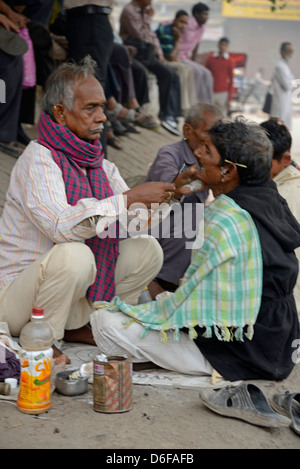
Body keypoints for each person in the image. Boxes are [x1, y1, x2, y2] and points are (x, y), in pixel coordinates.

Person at [0, 56, 188, 363]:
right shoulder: (38, 158)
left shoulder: (99, 164)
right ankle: (45, 338)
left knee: (146, 249)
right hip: (16, 300)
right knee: (75, 253)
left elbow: (129, 224)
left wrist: (168, 194)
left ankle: (95, 323)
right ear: (60, 113)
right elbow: (60, 227)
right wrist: (127, 199)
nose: (102, 117)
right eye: (91, 108)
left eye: (102, 107)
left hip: (65, 291)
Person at [90, 117, 300, 382]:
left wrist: (155, 308)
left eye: (207, 150)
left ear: (228, 171)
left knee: (104, 321)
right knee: (148, 304)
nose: (197, 153)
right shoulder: (268, 195)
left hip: (243, 349)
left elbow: (191, 304)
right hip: (279, 341)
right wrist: (182, 190)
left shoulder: (226, 217)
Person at [145, 102, 222, 296]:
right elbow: (165, 187)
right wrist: (178, 185)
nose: (215, 139)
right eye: (209, 132)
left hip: (182, 228)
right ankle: (159, 285)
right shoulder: (169, 154)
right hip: (156, 225)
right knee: (194, 220)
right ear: (188, 130)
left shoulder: (211, 156)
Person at [119, 0, 182, 136]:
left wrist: (159, 53)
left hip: (147, 52)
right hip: (134, 50)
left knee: (170, 75)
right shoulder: (129, 10)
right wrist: (148, 17)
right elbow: (140, 34)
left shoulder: (144, 12)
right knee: (140, 71)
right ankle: (137, 113)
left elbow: (151, 35)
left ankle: (169, 115)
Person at [260, 117, 300, 317]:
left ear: (284, 160)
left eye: (262, 162)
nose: (254, 167)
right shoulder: (291, 176)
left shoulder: (283, 198)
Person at [155, 10, 197, 115]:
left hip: (167, 60)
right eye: (181, 22)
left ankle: (191, 106)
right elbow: (170, 56)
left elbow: (174, 57)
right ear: (174, 20)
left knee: (189, 69)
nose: (183, 26)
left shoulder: (175, 32)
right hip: (159, 61)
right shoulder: (167, 31)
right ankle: (182, 107)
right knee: (182, 69)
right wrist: (178, 40)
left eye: (185, 23)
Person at [177, 2, 213, 103]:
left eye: (207, 14)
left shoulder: (201, 27)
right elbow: (168, 23)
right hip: (178, 55)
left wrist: (194, 61)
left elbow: (196, 45)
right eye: (204, 14)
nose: (207, 17)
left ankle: (208, 102)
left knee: (207, 73)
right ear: (197, 14)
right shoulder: (187, 23)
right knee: (197, 72)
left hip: (186, 57)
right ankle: (196, 101)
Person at [204, 37, 234, 115]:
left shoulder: (230, 61)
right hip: (210, 90)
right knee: (209, 113)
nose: (223, 47)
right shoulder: (211, 59)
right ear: (218, 45)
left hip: (223, 92)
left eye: (225, 45)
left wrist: (229, 98)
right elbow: (205, 74)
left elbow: (231, 80)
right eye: (222, 45)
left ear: (228, 47)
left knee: (221, 115)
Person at [270, 42, 294, 129]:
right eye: (289, 51)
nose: (291, 54)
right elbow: (287, 85)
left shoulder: (285, 66)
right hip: (280, 104)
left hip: (285, 102)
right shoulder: (280, 66)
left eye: (292, 51)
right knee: (279, 131)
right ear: (282, 52)